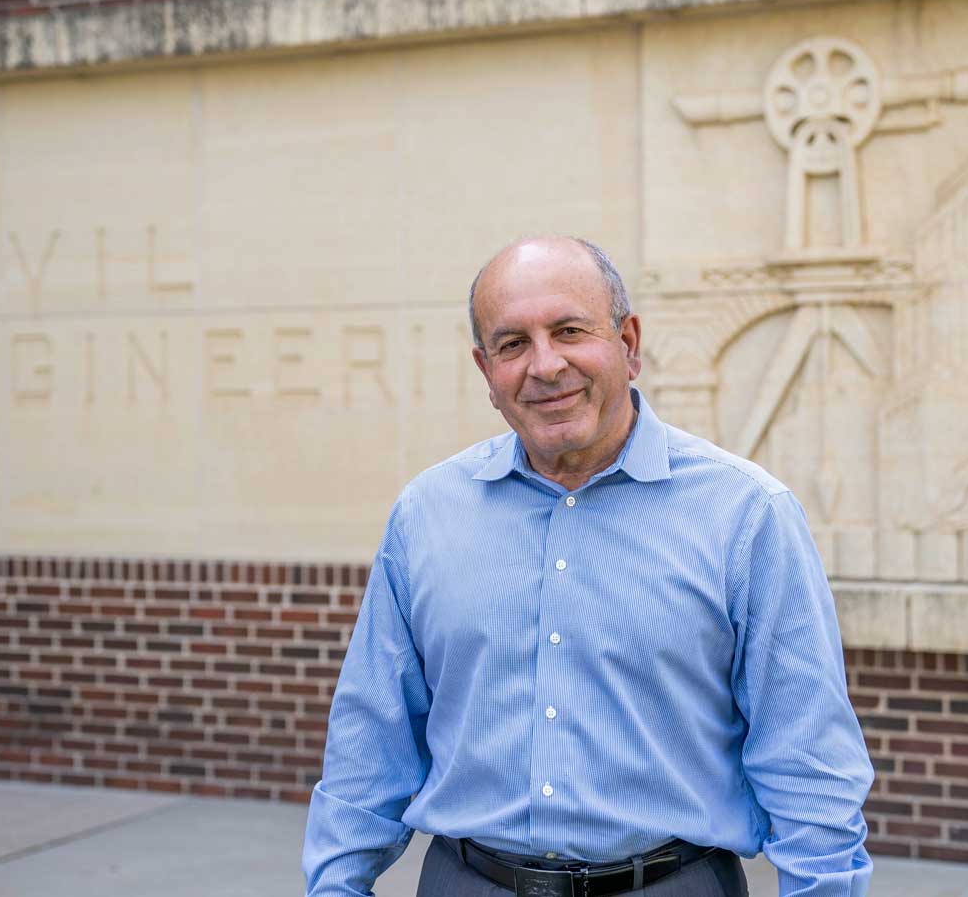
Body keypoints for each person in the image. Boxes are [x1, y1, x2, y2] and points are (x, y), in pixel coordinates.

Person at [302, 236, 873, 897]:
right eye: (512, 344)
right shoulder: (427, 515)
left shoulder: (746, 515)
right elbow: (370, 738)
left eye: (569, 331)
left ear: (629, 344)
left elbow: (806, 760)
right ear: (486, 372)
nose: (544, 366)